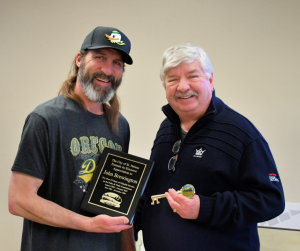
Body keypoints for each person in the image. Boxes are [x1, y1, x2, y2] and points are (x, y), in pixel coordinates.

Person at [134, 43, 285, 251]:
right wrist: (128, 223)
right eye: (173, 79)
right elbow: (154, 191)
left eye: (192, 76)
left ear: (210, 80)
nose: (183, 86)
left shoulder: (241, 133)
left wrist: (204, 208)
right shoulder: (166, 129)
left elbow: (271, 199)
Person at [9, 26, 136, 251]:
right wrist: (87, 224)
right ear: (79, 59)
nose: (108, 70)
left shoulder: (120, 125)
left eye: (117, 63)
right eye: (100, 57)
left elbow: (122, 206)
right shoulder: (46, 119)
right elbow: (19, 200)